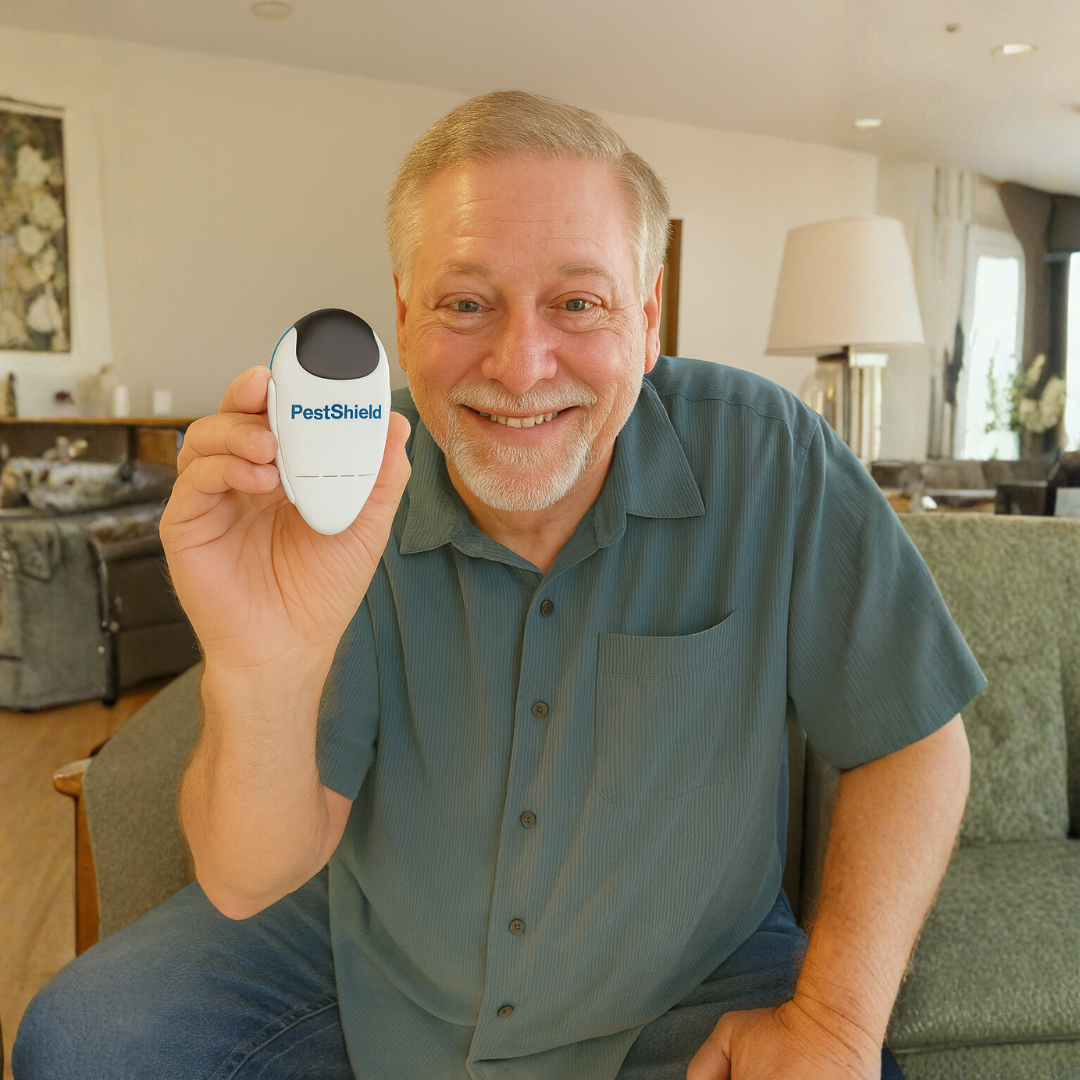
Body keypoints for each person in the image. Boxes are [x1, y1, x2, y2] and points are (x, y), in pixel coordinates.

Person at [14, 91, 983, 1080]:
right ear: (404, 314)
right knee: (83, 1039)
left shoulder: (769, 455)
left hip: (693, 979)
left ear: (647, 317)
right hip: (372, 956)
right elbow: (245, 876)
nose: (520, 367)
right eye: (467, 303)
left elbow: (914, 740)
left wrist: (835, 1020)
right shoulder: (345, 486)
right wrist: (257, 666)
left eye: (578, 303)